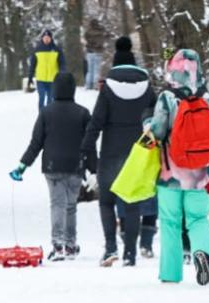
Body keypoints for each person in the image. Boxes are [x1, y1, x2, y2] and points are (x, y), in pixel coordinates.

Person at [146, 49, 209, 285]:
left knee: (170, 222)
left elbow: (158, 131)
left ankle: (171, 273)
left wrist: (147, 123)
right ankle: (202, 252)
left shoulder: (168, 97)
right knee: (198, 218)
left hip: (171, 173)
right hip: (202, 173)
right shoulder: (208, 97)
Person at [81, 36, 157, 267]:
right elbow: (156, 122)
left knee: (106, 202)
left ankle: (111, 248)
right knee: (132, 203)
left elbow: (95, 124)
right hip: (137, 155)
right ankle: (131, 253)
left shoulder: (108, 89)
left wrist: (88, 153)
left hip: (111, 153)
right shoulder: (147, 88)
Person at [10, 73, 92, 261]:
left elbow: (36, 143)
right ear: (72, 89)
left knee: (57, 204)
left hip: (52, 166)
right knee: (71, 206)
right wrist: (92, 167)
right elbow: (89, 143)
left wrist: (22, 166)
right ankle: (70, 246)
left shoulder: (46, 112)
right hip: (75, 165)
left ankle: (57, 244)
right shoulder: (83, 113)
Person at [27, 29, 65, 110]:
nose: (46, 39)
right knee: (42, 97)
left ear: (51, 38)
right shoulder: (37, 50)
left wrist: (62, 74)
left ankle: (49, 115)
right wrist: (30, 77)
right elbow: (32, 65)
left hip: (53, 79)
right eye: (45, 37)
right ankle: (41, 115)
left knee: (50, 99)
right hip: (41, 79)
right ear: (42, 38)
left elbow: (62, 63)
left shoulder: (57, 50)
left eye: (48, 37)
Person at [83, 19, 107, 90]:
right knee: (96, 70)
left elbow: (85, 39)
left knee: (89, 70)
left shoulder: (88, 32)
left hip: (89, 52)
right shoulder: (101, 31)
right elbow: (104, 38)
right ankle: (95, 85)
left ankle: (88, 85)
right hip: (98, 52)